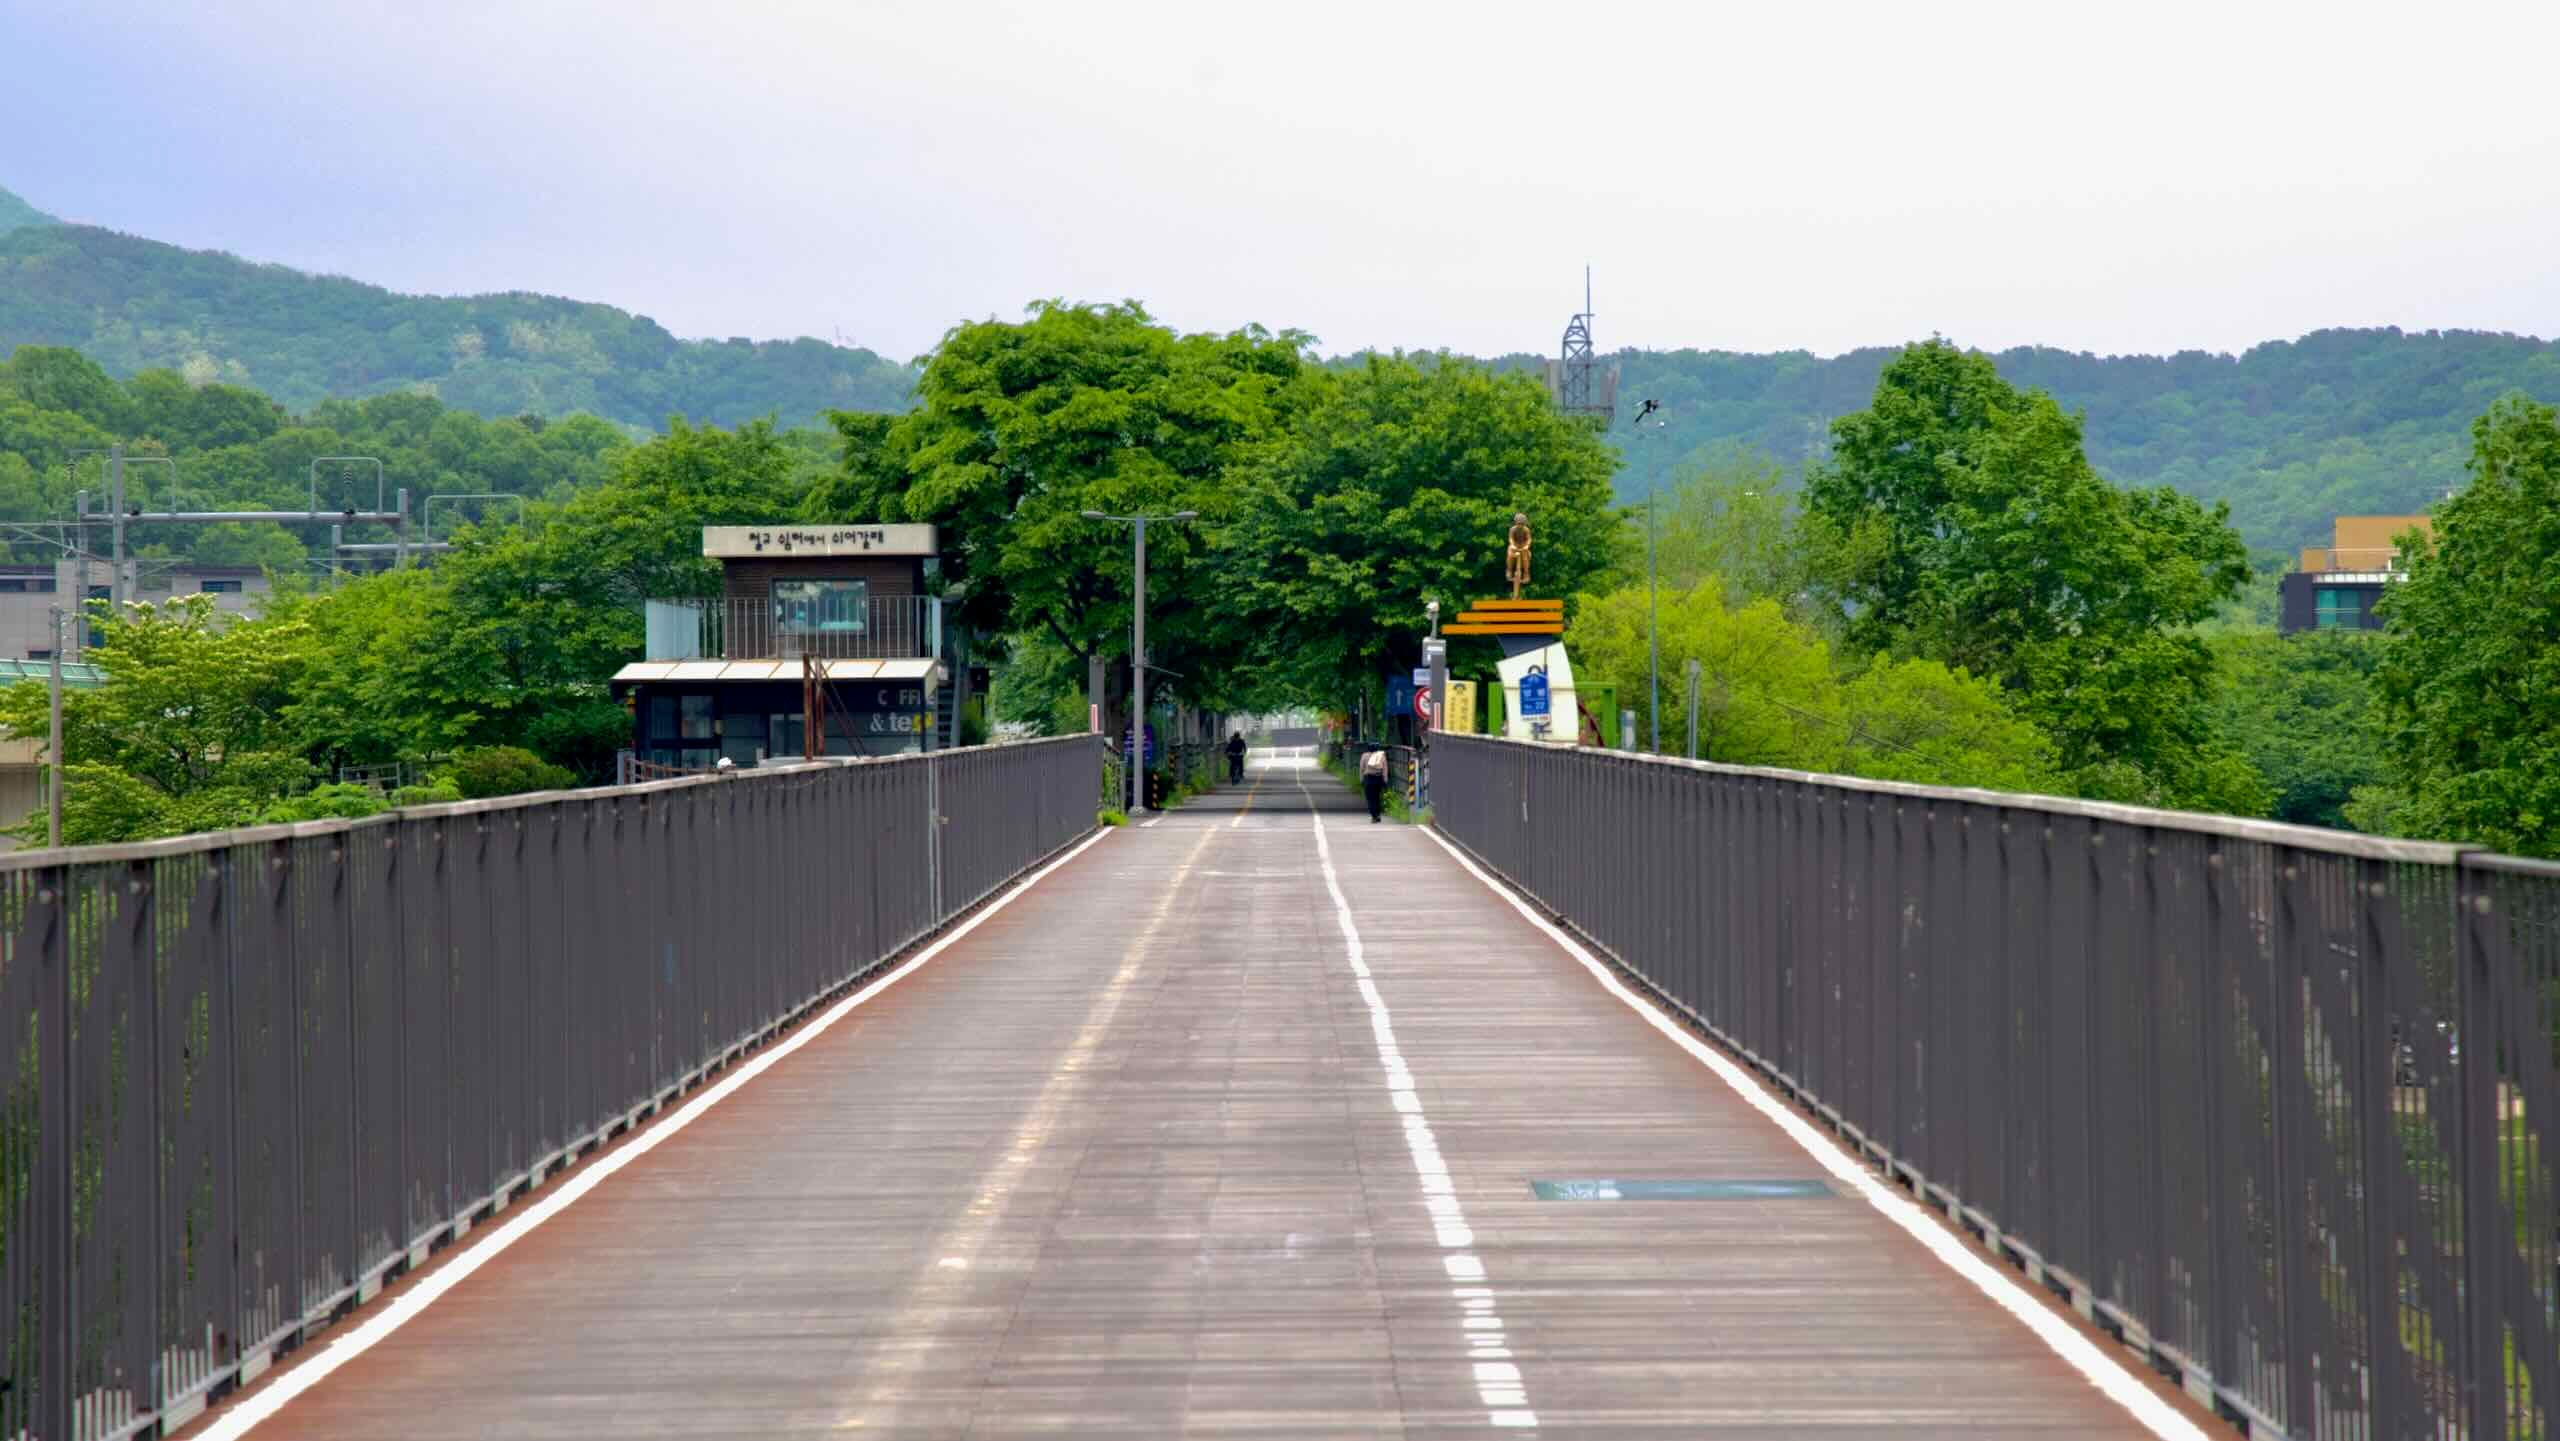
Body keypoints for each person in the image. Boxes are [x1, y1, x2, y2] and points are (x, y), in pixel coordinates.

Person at [1359, 745, 1389, 823]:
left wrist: (1361, 779)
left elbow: (1361, 768)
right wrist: (1385, 780)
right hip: (1378, 778)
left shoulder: (1364, 755)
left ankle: (1374, 816)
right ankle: (1378, 814)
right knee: (1377, 797)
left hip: (1368, 778)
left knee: (1370, 798)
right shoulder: (1381, 756)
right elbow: (1385, 768)